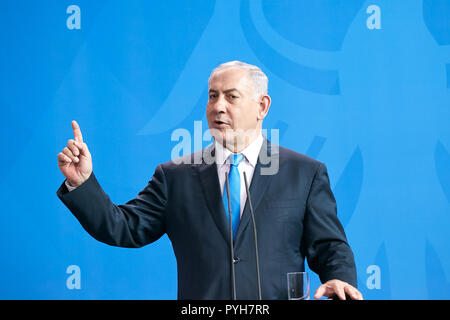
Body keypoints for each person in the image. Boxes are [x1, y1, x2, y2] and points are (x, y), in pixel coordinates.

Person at [57, 61, 363, 300]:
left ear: (262, 106)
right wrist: (82, 183)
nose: (218, 106)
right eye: (213, 96)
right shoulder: (174, 176)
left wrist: (341, 279)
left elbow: (330, 246)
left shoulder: (304, 172)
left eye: (231, 97)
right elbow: (123, 227)